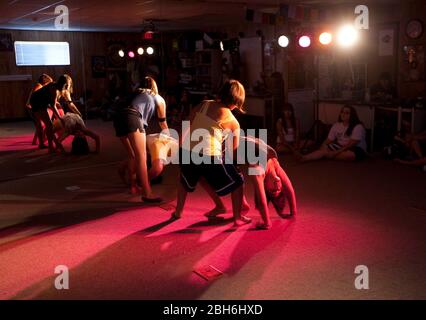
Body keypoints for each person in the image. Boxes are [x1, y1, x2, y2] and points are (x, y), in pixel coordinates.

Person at [171, 79, 249, 226]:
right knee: (238, 181)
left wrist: (179, 145)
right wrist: (234, 168)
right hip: (210, 155)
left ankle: (178, 212)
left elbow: (188, 122)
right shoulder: (233, 121)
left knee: (187, 179)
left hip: (188, 152)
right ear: (238, 101)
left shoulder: (204, 104)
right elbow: (233, 153)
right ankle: (237, 218)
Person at [205, 136, 297, 230]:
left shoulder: (258, 170)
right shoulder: (272, 161)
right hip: (224, 144)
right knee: (235, 178)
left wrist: (267, 222)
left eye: (273, 191)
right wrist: (292, 212)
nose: (277, 187)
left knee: (236, 179)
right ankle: (235, 206)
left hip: (223, 148)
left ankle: (239, 207)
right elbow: (289, 189)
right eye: (279, 190)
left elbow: (261, 200)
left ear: (265, 185)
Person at [113, 77, 168, 202]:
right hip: (132, 116)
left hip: (117, 117)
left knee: (132, 155)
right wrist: (168, 136)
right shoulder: (157, 97)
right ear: (154, 86)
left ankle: (133, 186)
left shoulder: (135, 94)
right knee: (141, 157)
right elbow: (162, 122)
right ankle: (147, 193)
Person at [298, 105, 367, 162]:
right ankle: (305, 158)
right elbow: (328, 140)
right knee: (324, 149)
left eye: (347, 113)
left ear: (352, 115)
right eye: (342, 112)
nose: (343, 114)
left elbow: (350, 145)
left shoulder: (358, 126)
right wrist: (323, 145)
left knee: (349, 155)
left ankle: (327, 155)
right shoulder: (336, 125)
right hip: (339, 146)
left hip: (356, 148)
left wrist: (335, 153)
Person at [29, 75, 72, 153]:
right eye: (67, 85)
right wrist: (60, 118)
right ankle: (51, 147)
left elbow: (52, 103)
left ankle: (42, 144)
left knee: (40, 125)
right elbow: (53, 106)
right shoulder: (54, 89)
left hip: (37, 101)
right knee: (49, 125)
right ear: (64, 84)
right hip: (37, 103)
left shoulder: (54, 86)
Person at [25, 74, 53, 147]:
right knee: (41, 125)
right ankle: (42, 142)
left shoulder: (38, 86)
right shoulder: (39, 86)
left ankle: (40, 143)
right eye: (47, 83)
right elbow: (34, 97)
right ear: (45, 81)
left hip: (32, 106)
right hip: (33, 107)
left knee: (39, 125)